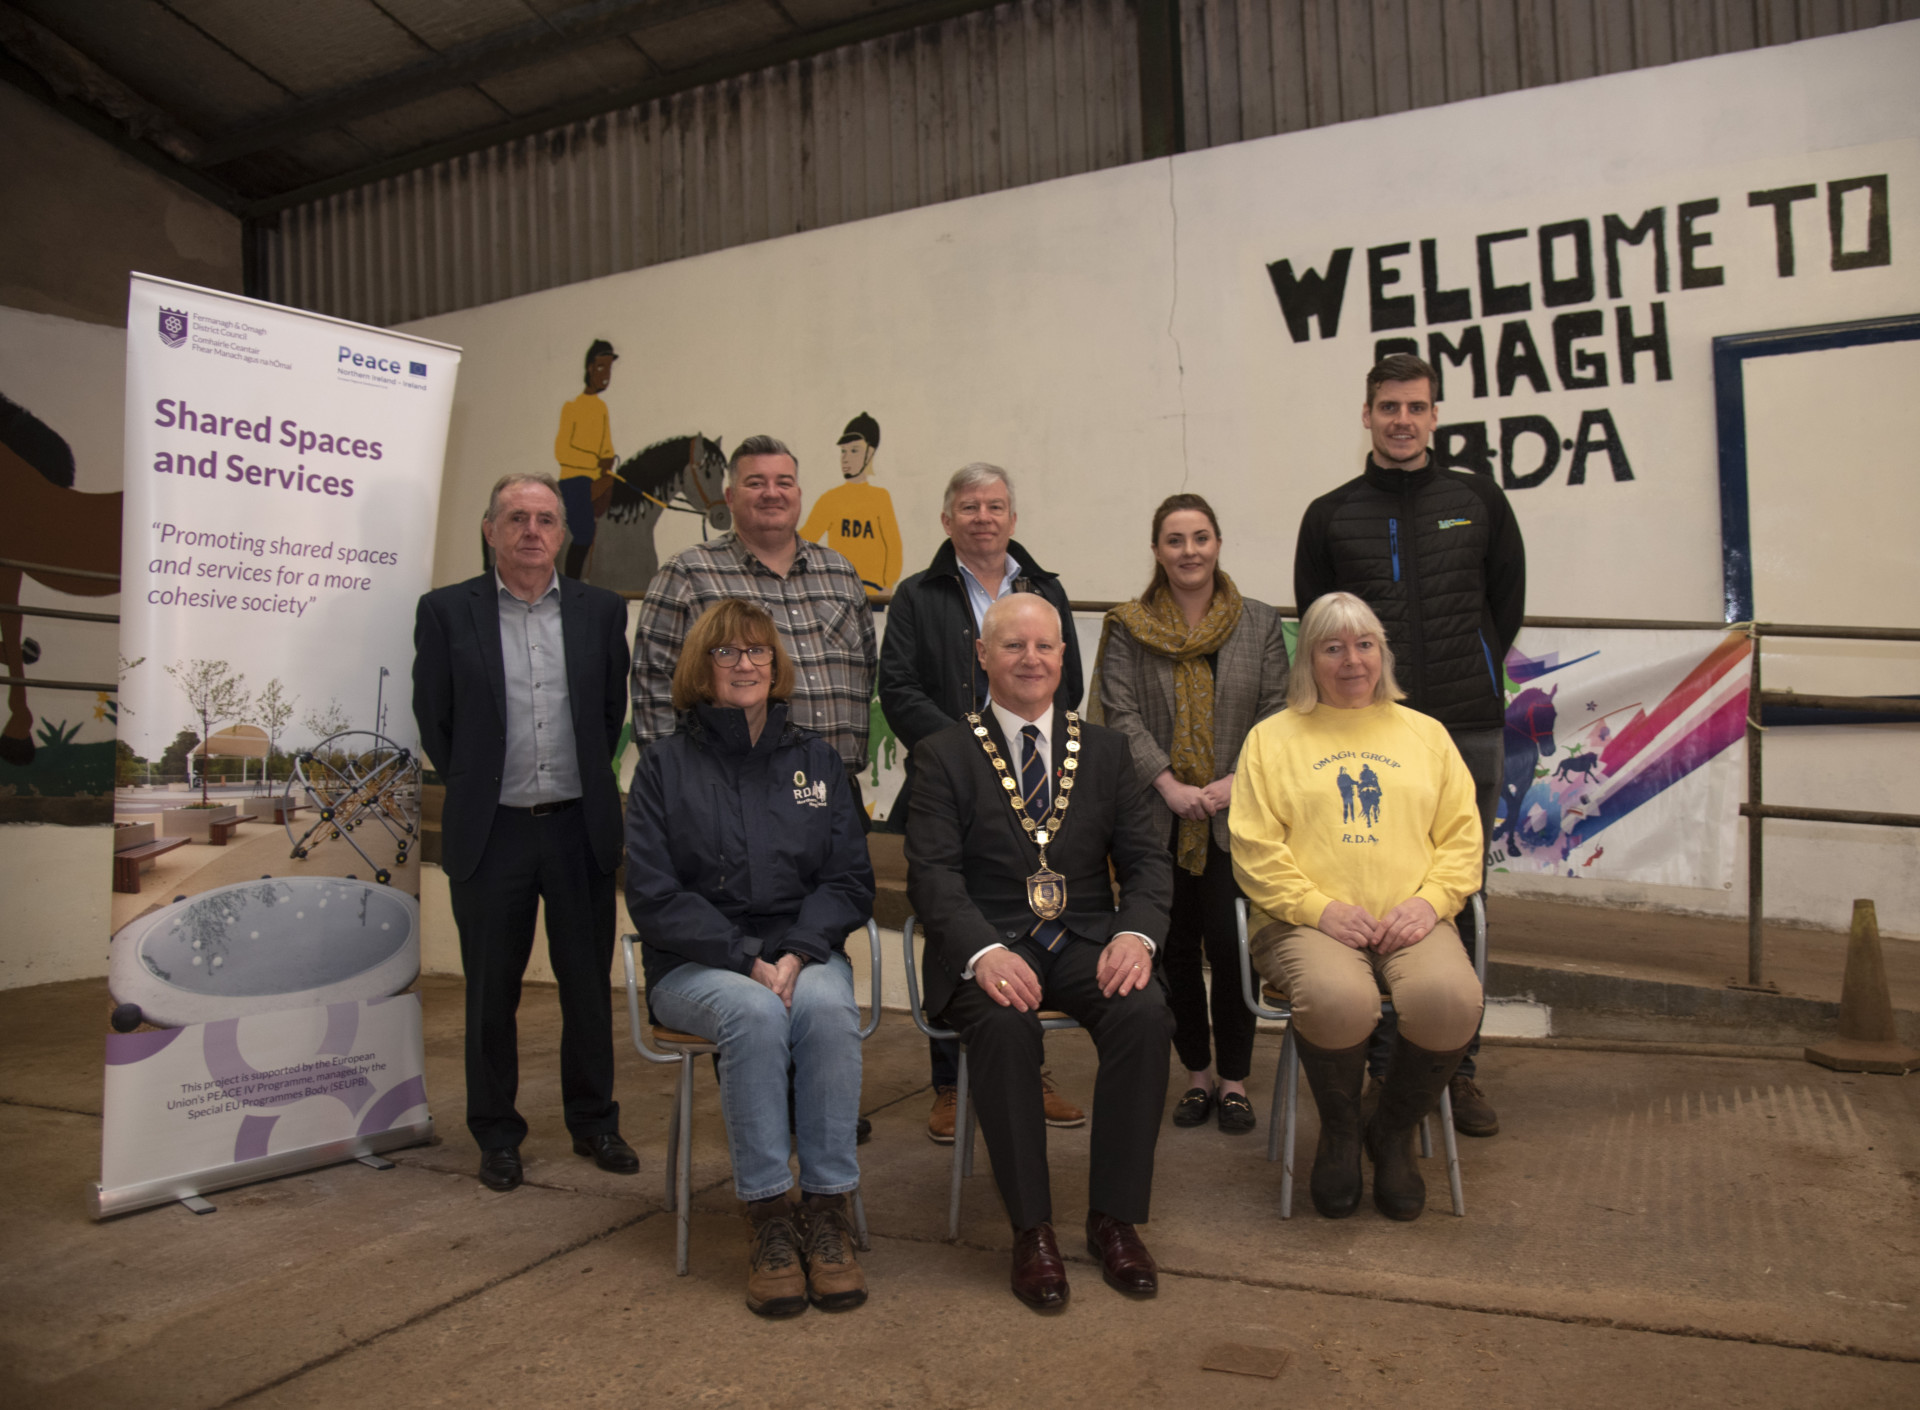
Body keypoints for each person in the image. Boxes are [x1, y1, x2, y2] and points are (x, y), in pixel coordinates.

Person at [906, 593, 1173, 1310]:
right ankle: (1033, 1230)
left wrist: (1135, 934)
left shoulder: (1108, 752)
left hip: (1085, 939)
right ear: (982, 655)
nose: (1031, 659)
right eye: (1013, 645)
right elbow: (932, 876)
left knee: (1145, 1013)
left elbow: (1148, 862)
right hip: (989, 946)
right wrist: (982, 952)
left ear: (1063, 656)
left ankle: (1114, 1220)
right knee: (1002, 1025)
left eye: (1045, 646)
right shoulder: (942, 754)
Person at [1293, 351, 1525, 1138]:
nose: (1402, 420)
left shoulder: (1478, 500)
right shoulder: (1330, 515)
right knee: (1365, 882)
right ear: (1367, 415)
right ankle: (1376, 1066)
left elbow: (1505, 603)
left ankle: (1455, 1071)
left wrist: (1472, 669)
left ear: (1435, 415)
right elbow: (1321, 624)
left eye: (1416, 407)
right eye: (1388, 407)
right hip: (1363, 737)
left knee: (1458, 894)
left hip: (1464, 726)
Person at [625, 598, 875, 1317]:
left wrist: (796, 951)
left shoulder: (817, 761)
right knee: (755, 1016)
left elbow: (848, 878)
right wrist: (743, 958)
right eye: (726, 652)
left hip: (802, 953)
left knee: (827, 1009)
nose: (744, 664)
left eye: (758, 651)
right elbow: (653, 893)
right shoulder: (663, 767)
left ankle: (826, 1211)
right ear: (700, 669)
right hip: (696, 964)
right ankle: (768, 1216)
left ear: (776, 664)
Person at [412, 473, 637, 1192]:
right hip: (493, 832)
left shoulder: (601, 611)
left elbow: (608, 715)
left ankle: (594, 1122)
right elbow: (436, 722)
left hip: (578, 829)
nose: (532, 531)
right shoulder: (447, 611)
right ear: (490, 530)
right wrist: (483, 782)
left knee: (586, 988)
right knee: (491, 994)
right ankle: (497, 1134)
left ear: (563, 533)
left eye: (545, 519)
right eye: (516, 518)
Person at [1229, 592, 1484, 1222]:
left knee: (1451, 1001)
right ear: (1308, 661)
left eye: (1364, 645)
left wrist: (1429, 903)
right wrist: (1318, 909)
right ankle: (1340, 1135)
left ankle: (1390, 1131)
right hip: (1303, 923)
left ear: (1382, 653)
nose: (1352, 661)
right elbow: (1254, 850)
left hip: (1410, 919)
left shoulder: (1426, 735)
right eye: (1333, 647)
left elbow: (1462, 840)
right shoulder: (1270, 739)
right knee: (1338, 999)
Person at [878, 462, 1087, 1140]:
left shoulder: (1045, 588)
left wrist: (1017, 752)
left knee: (1032, 915)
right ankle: (948, 1083)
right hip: (947, 785)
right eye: (969, 507)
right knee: (949, 920)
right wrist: (967, 753)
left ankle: (1031, 1071)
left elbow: (1069, 685)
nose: (983, 518)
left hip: (1034, 785)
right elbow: (898, 688)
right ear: (947, 520)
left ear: (1013, 518)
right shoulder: (917, 595)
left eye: (995, 506)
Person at [1093, 493, 1289, 1134]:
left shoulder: (1259, 623)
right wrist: (1168, 784)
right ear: (1156, 550)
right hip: (1157, 815)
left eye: (1200, 537)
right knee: (1173, 948)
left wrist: (1236, 781)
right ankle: (1197, 1075)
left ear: (1218, 544)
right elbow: (1118, 712)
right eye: (1175, 540)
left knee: (1233, 948)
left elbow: (1276, 711)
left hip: (1238, 815)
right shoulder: (1128, 626)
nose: (1189, 551)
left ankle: (1234, 1080)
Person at [631, 435, 876, 811]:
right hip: (733, 799)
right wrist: (675, 786)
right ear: (730, 497)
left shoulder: (840, 573)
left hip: (838, 794)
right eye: (756, 483)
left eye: (783, 482)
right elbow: (653, 688)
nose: (772, 493)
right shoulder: (688, 573)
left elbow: (867, 671)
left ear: (798, 493)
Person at [799, 412, 906, 596]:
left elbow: (893, 546)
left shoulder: (880, 497)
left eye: (854, 450)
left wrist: (888, 585)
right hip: (839, 589)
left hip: (873, 591)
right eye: (843, 451)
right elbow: (805, 539)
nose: (846, 458)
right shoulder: (830, 499)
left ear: (870, 452)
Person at [554, 339, 619, 580]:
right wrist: (594, 462)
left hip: (598, 478)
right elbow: (562, 451)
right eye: (601, 367)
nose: (606, 374)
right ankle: (571, 583)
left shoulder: (601, 408)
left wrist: (608, 459)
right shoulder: (571, 407)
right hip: (575, 480)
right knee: (584, 532)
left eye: (609, 368)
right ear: (590, 368)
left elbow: (606, 446)